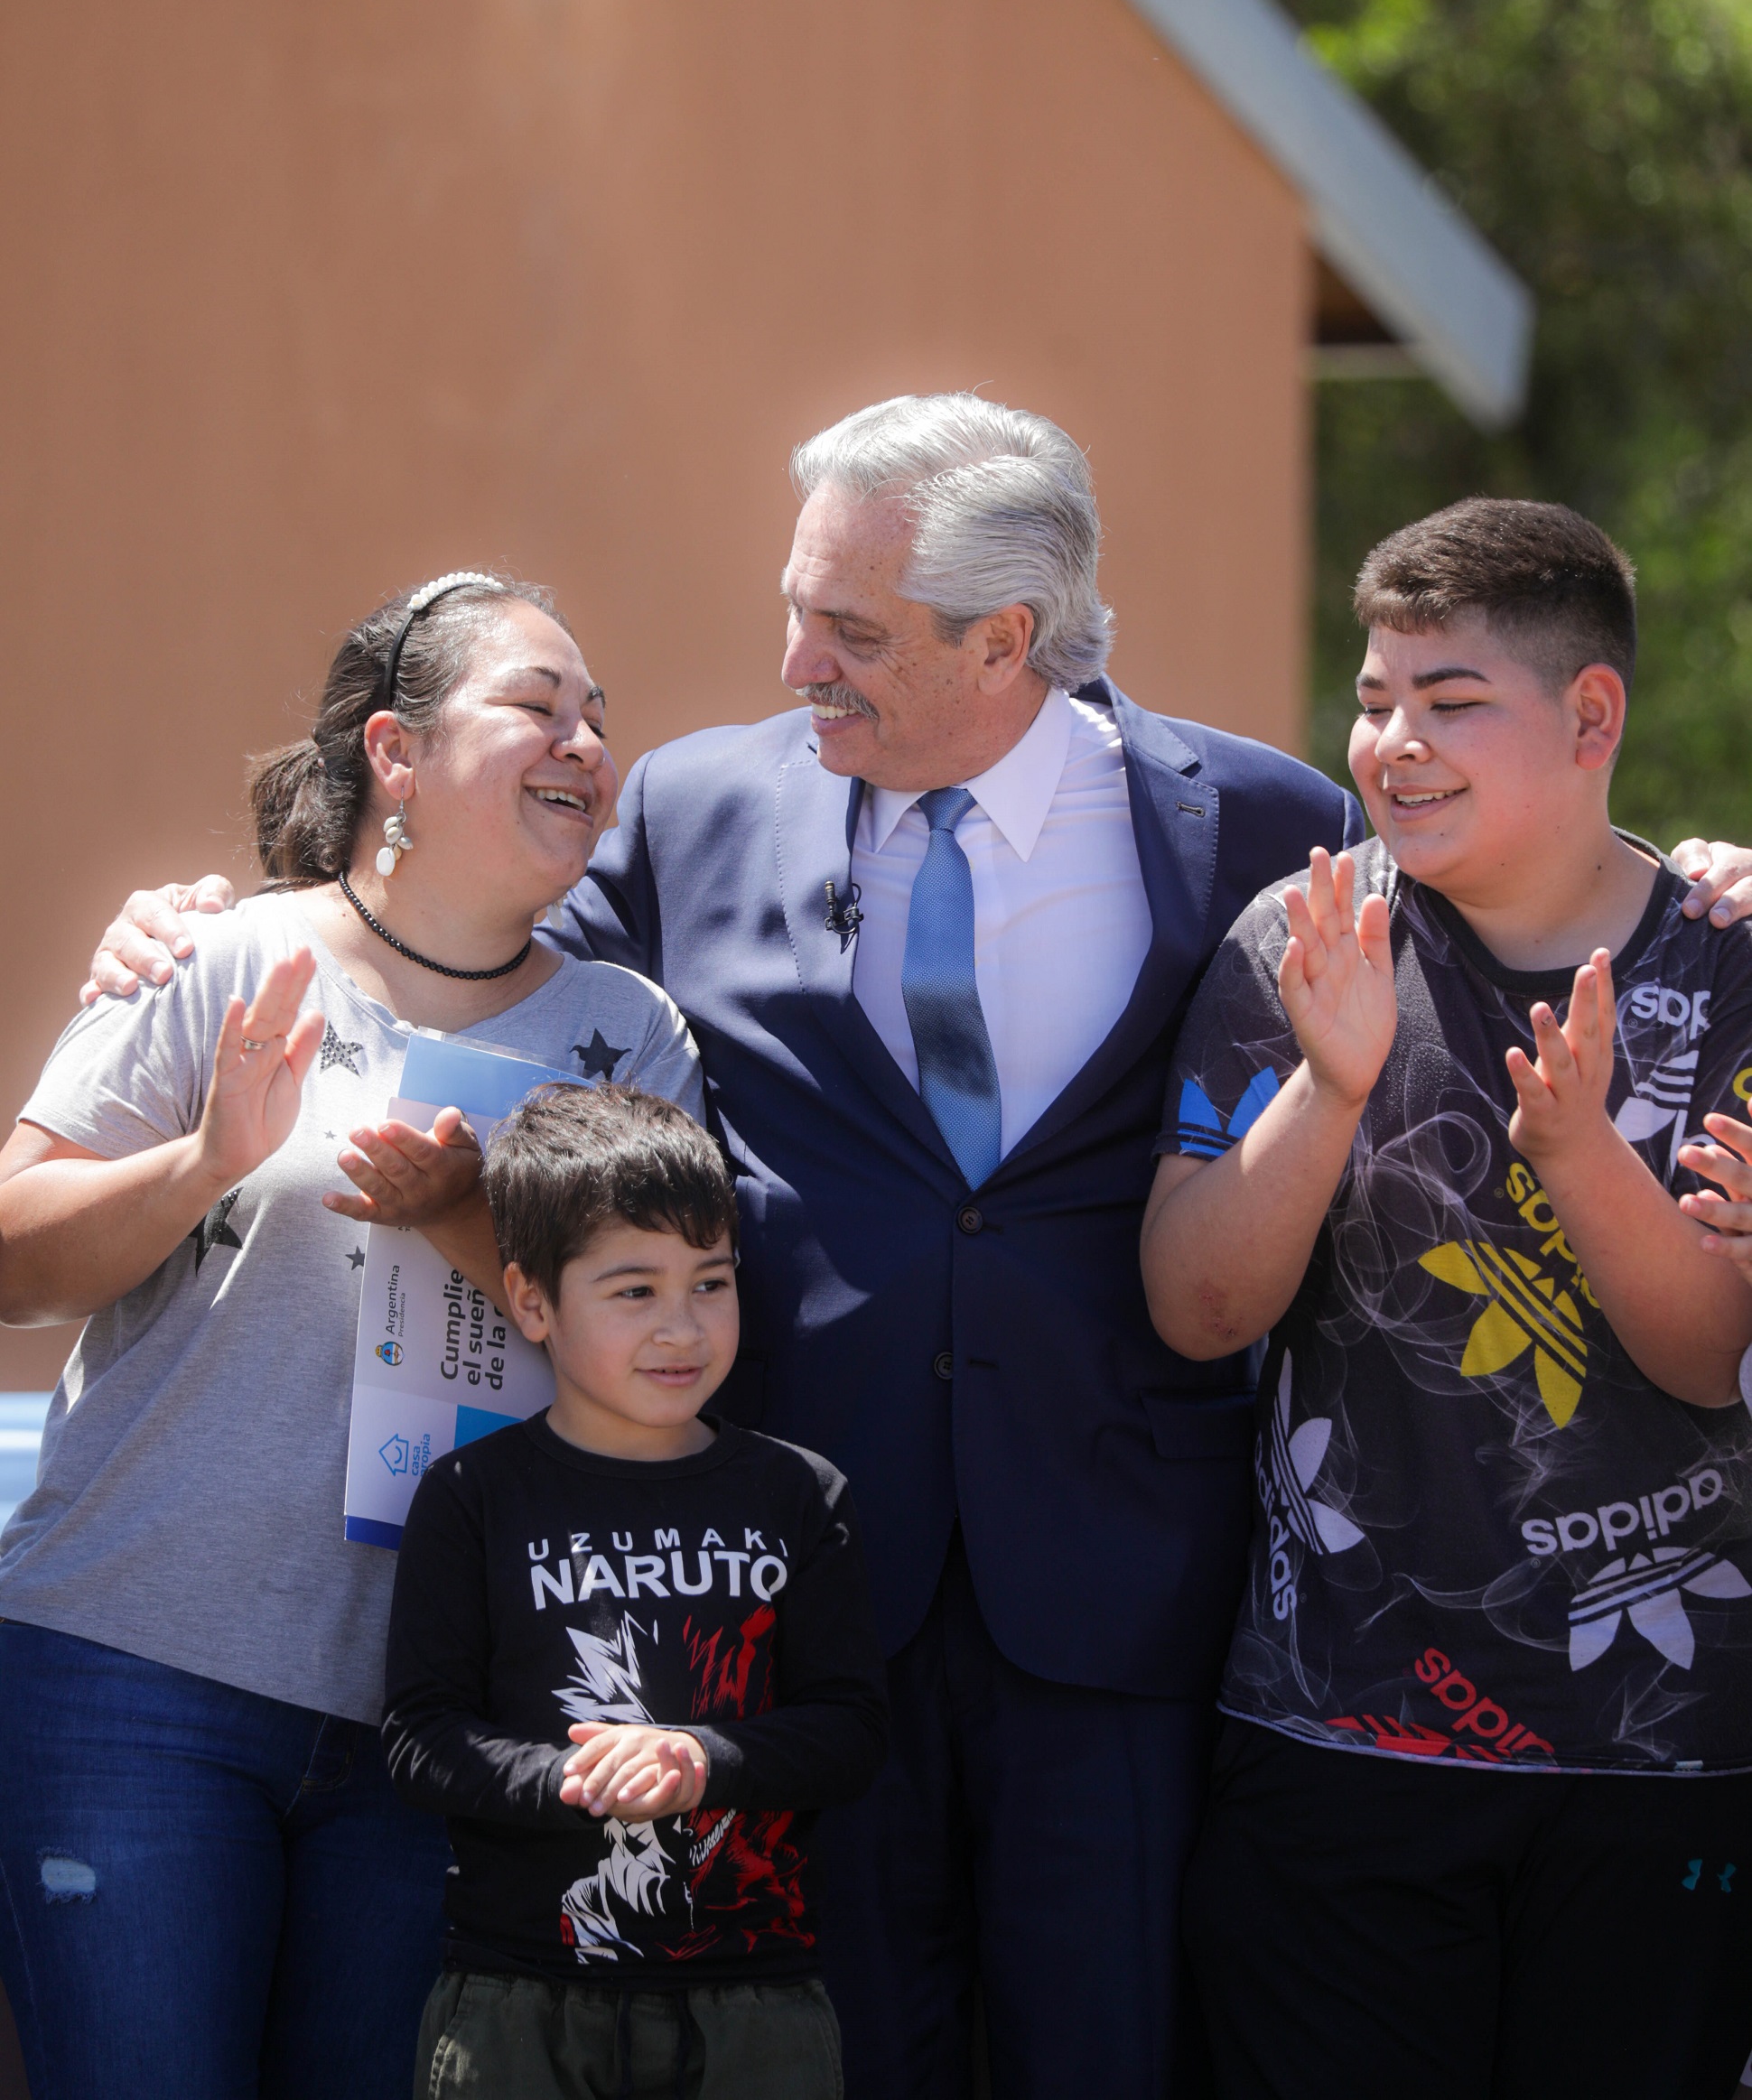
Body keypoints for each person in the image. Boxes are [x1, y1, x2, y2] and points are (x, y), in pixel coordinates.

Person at [84, 401, 1752, 2100]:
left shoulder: (1258, 822)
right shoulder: (700, 806)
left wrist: (1701, 873)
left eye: (852, 629)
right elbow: (458, 937)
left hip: (1125, 1593)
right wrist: (233, 910)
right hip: (796, 1592)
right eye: (798, 603)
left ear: (1005, 639)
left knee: (1104, 2053)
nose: (795, 658)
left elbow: (1521, 844)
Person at [0, 571, 704, 2100]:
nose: (584, 740)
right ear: (396, 751)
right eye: (537, 704)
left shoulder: (630, 1032)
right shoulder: (225, 961)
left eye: (599, 717)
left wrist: (470, 1211)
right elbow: (12, 1256)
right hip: (136, 1675)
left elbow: (670, 1352)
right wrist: (202, 1164)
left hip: (441, 1725)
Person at [1142, 498, 1752, 2100]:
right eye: (1372, 697)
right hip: (1339, 1739)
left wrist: (1573, 1150)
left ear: (1593, 714)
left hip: (1664, 1753)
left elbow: (1706, 1355)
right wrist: (1329, 1089)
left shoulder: (1731, 965)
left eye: (1451, 700)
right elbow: (1197, 1310)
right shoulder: (1298, 938)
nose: (1393, 743)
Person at [384, 1081, 888, 2099]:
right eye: (633, 1291)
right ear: (530, 1301)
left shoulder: (797, 1493)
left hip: (757, 2006)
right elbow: (418, 1735)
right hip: (517, 1995)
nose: (683, 1328)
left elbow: (850, 1728)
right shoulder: (472, 1497)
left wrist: (703, 1759)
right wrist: (579, 1780)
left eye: (711, 1282)